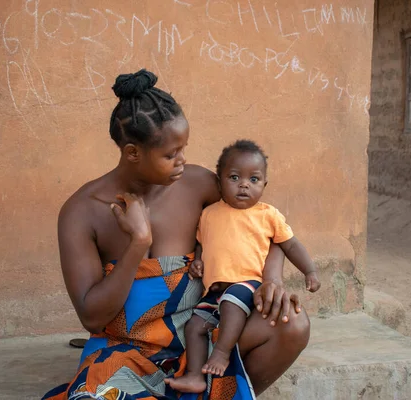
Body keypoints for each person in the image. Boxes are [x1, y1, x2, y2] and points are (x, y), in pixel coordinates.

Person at [42, 69, 310, 400]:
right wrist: (138, 243)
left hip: (203, 338)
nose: (182, 161)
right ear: (132, 153)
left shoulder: (199, 185)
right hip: (126, 350)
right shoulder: (82, 212)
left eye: (184, 148)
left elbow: (268, 228)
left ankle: (216, 391)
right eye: (170, 154)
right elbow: (92, 317)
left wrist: (273, 279)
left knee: (292, 323)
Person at [165, 140, 321, 393]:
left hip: (248, 284)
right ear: (219, 181)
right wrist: (198, 261)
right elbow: (202, 243)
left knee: (231, 303)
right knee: (195, 326)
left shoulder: (268, 214)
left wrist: (310, 271)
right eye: (234, 177)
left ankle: (222, 354)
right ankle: (195, 375)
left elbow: (290, 245)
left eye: (254, 179)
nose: (244, 185)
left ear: (264, 185)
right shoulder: (209, 214)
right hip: (215, 291)